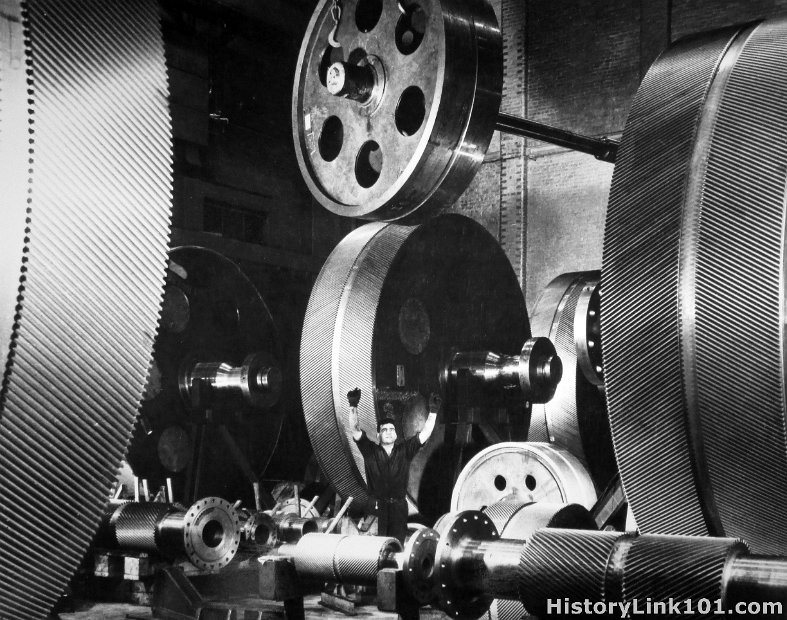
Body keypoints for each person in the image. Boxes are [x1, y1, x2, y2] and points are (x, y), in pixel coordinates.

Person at [346, 388, 439, 543]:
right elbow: (355, 430)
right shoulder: (370, 451)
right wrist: (353, 405)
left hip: (399, 509)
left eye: (391, 429)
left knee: (396, 545)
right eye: (384, 430)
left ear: (396, 434)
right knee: (374, 547)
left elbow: (425, 434)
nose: (388, 432)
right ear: (378, 435)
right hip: (375, 508)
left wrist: (433, 411)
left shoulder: (405, 451)